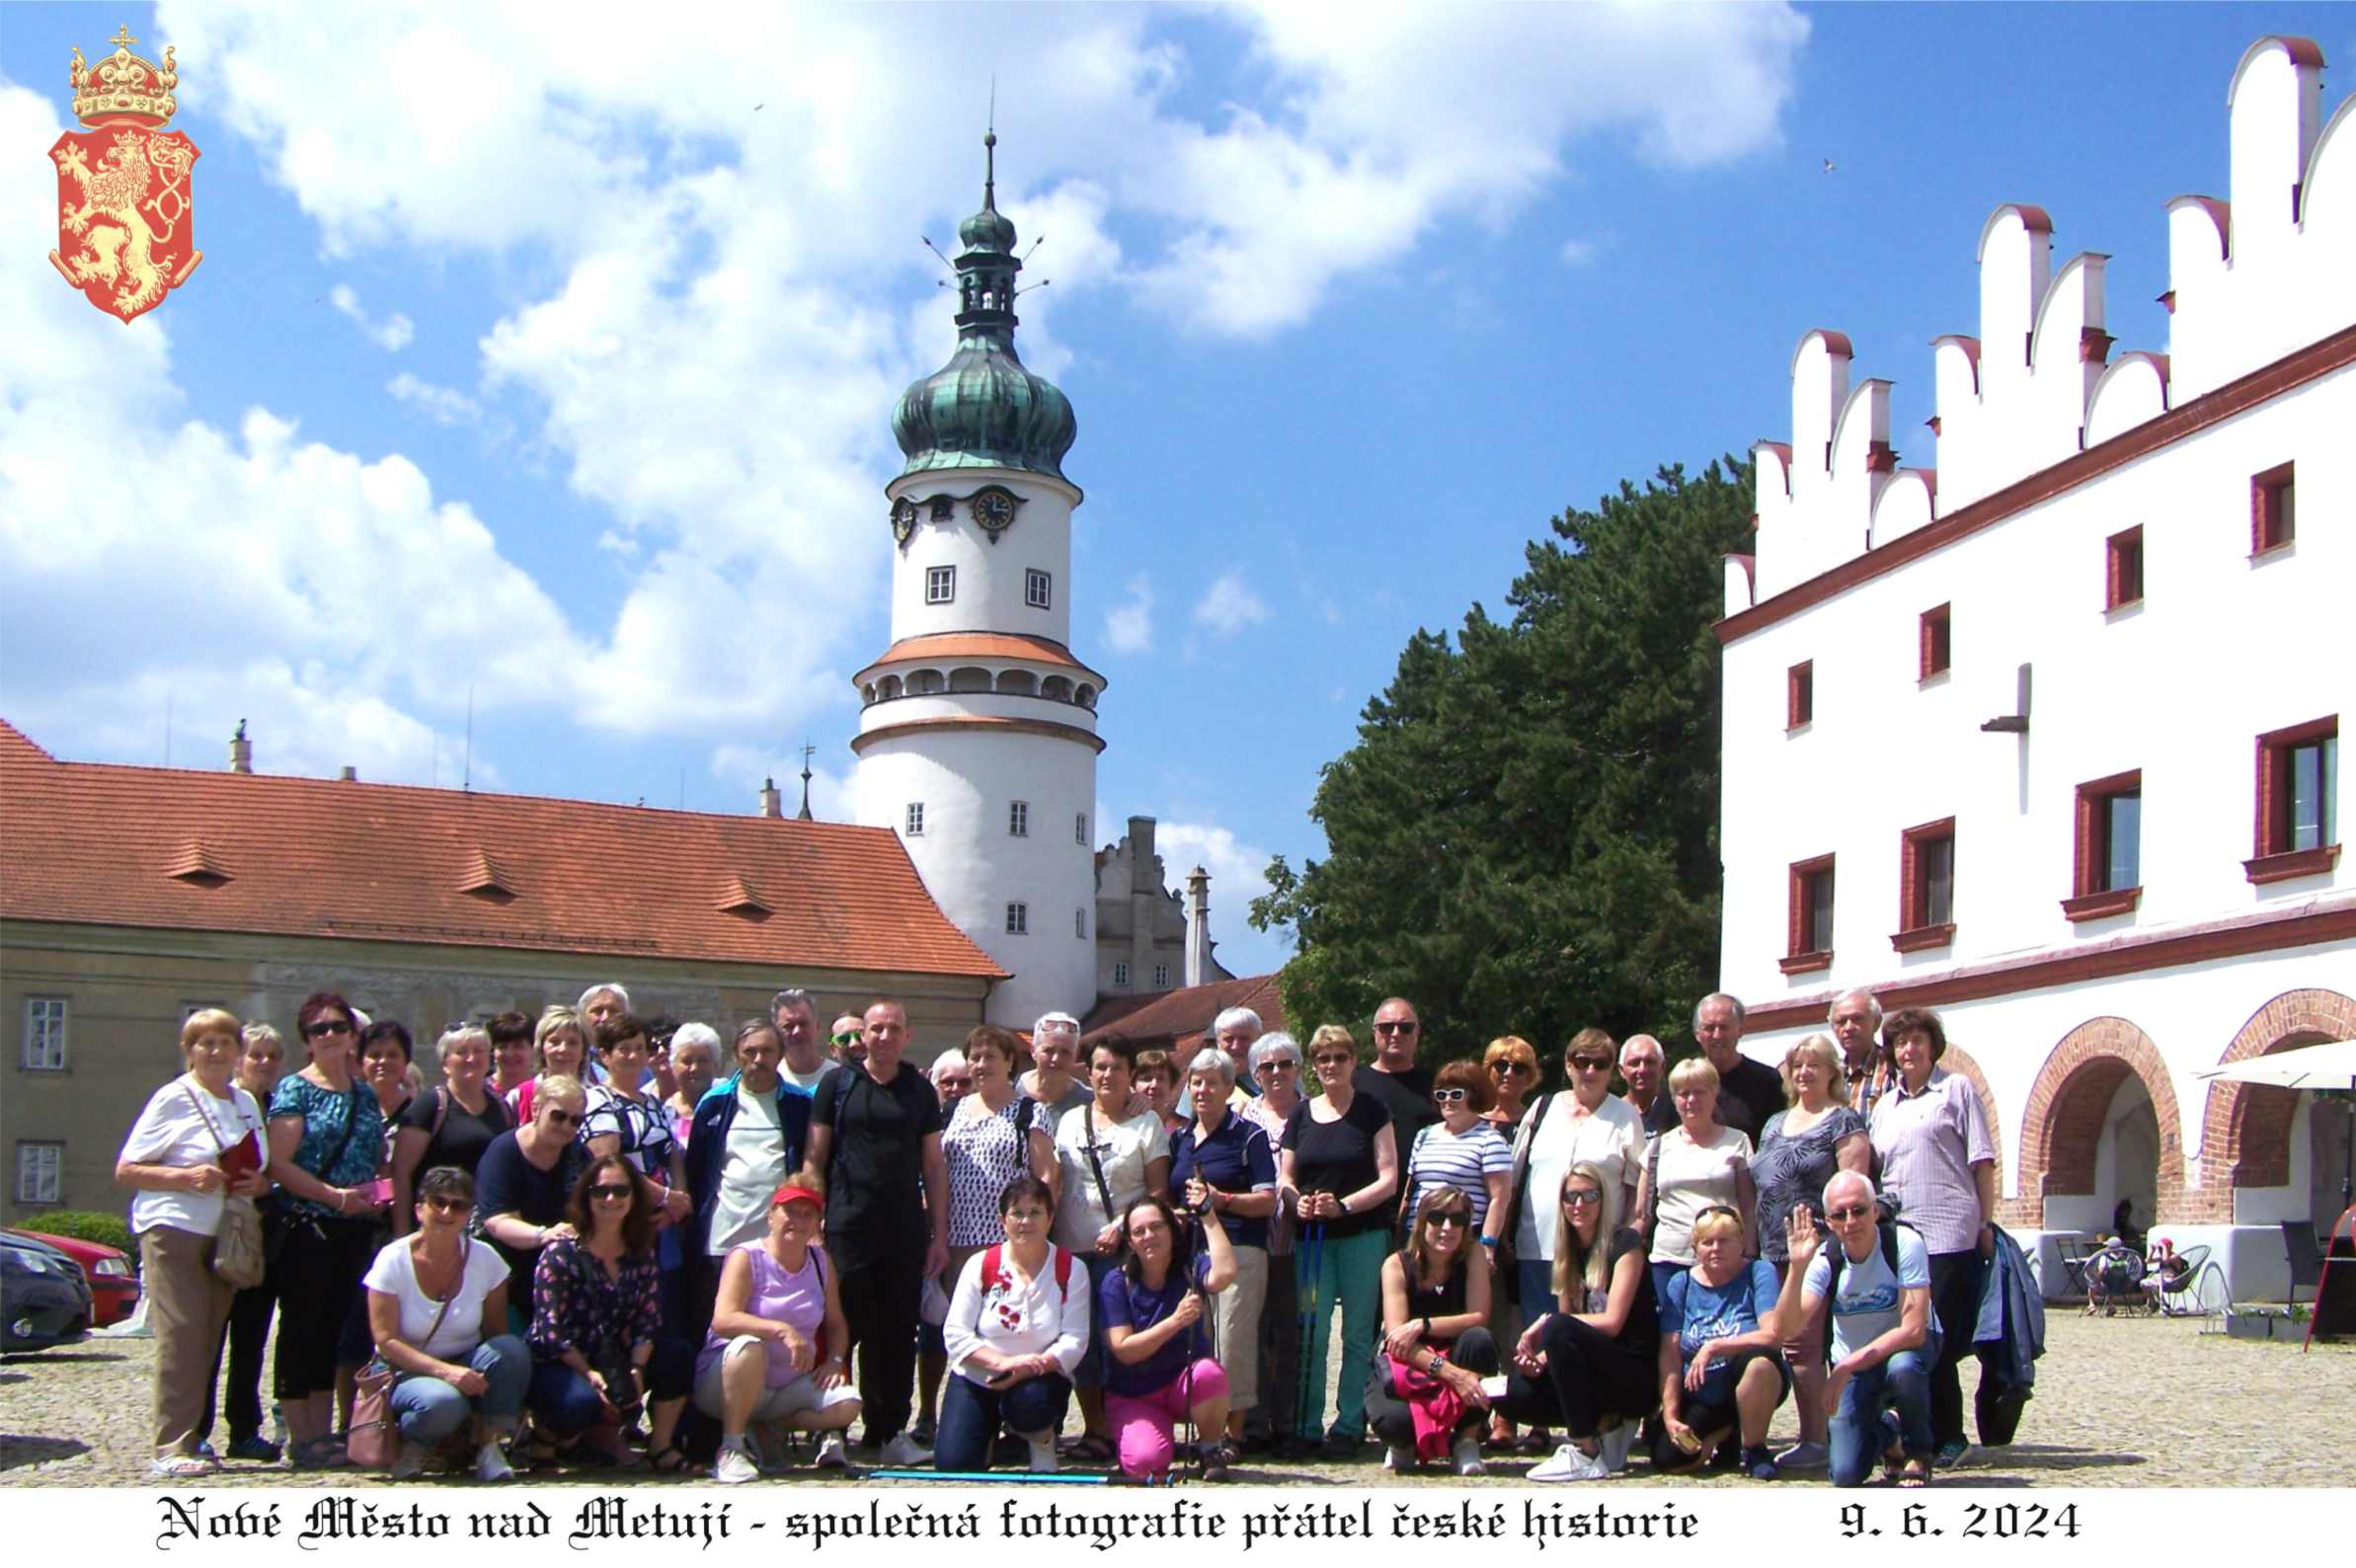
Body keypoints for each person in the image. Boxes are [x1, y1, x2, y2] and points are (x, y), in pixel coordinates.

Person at [115, 1007, 271, 1477]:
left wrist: (255, 1184)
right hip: (174, 1227)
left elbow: (261, 1169)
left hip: (225, 1231)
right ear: (189, 1051)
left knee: (206, 1336)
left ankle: (193, 1437)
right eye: (206, 1043)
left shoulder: (245, 1102)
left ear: (238, 1051)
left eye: (225, 1042)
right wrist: (185, 1176)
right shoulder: (173, 1098)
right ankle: (170, 1446)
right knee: (181, 1335)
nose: (217, 1051)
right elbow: (127, 1169)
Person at [806, 998, 950, 1465]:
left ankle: (888, 1430)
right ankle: (832, 1430)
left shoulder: (919, 1091)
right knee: (841, 1330)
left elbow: (933, 1163)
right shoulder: (837, 1083)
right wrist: (813, 1220)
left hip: (903, 1229)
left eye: (893, 1028)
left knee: (895, 1334)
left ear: (907, 1036)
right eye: (875, 1029)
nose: (884, 1036)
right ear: (860, 1036)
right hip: (847, 1226)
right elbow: (815, 1156)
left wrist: (939, 1235)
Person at [1505, 1026, 1646, 1454]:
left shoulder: (1624, 1116)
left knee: (1580, 1335)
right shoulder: (1542, 1108)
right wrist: (1503, 1236)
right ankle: (1540, 1425)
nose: (1588, 1070)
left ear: (1612, 1071)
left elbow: (1638, 1184)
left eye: (1599, 1063)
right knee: (1537, 1337)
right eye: (1580, 1062)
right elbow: (1516, 1174)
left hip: (1595, 1250)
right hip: (1537, 1242)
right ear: (1567, 1066)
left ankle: (1588, 1421)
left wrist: (1633, 1235)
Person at [265, 990, 388, 1467]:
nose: (331, 1036)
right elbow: (279, 1163)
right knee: (301, 1330)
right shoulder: (297, 1089)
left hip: (354, 1230)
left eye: (339, 1027)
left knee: (334, 1331)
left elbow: (374, 1156)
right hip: (307, 1225)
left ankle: (321, 1432)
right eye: (320, 1029)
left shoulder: (362, 1093)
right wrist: (332, 1196)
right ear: (307, 1041)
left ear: (353, 1035)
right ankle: (301, 1434)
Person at [1868, 1006, 1995, 1468]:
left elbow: (1981, 1160)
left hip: (1948, 1231)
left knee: (1934, 1338)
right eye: (1900, 1043)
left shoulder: (1956, 1090)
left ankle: (1949, 1435)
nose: (1909, 1049)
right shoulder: (1884, 1107)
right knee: (1904, 1336)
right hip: (1900, 1235)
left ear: (1932, 1046)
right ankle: (1912, 1430)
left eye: (1917, 1040)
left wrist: (1985, 1223)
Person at [1751, 1032, 1872, 1469]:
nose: (1804, 1073)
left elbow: (1852, 1189)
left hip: (1821, 1248)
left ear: (1831, 1073)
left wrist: (1840, 1241)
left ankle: (1818, 1438)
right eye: (1798, 1065)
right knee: (1790, 1343)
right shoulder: (1773, 1123)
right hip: (1773, 1248)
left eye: (1814, 1065)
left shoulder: (1843, 1121)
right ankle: (1816, 1434)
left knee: (1809, 1344)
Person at [525, 1156, 694, 1469]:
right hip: (561, 1360)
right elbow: (550, 1332)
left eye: (621, 1190)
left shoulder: (641, 1252)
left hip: (615, 1356)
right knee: (581, 1405)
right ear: (586, 1196)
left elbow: (648, 1320)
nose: (611, 1199)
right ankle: (549, 1438)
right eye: (601, 1191)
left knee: (678, 1355)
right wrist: (589, 1375)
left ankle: (660, 1446)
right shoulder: (561, 1252)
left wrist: (636, 1371)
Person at [1051, 1031, 1172, 1460]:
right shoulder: (1070, 1121)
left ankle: (1123, 1422)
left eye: (1117, 1068)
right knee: (1079, 1342)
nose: (1107, 1075)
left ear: (1130, 1074)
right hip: (1072, 1249)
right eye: (1100, 1067)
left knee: (1115, 1341)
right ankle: (1094, 1427)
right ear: (1090, 1071)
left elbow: (1158, 1191)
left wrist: (1122, 1225)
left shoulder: (1146, 1123)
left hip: (1120, 1255)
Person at [1769, 1173, 1935, 1488]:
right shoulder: (1825, 1259)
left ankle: (1919, 1452)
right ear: (1829, 1222)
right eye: (1839, 1214)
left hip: (1903, 1351)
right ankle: (1888, 1433)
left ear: (1875, 1211)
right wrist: (1797, 1266)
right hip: (1856, 1363)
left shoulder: (1904, 1244)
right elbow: (1785, 1329)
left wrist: (1846, 1365)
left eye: (1858, 1210)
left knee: (1904, 1367)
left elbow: (1913, 1330)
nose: (1850, 1221)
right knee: (1845, 1476)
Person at [362, 1165, 526, 1481]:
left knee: (511, 1350)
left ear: (469, 1214)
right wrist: (446, 1372)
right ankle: (413, 1443)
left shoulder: (487, 1259)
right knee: (442, 1402)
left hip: (465, 1359)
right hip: (405, 1369)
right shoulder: (391, 1259)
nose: (448, 1211)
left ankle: (489, 1445)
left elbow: (495, 1332)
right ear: (419, 1208)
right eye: (439, 1202)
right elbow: (386, 1340)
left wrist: (490, 1384)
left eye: (459, 1205)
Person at [1499, 1161, 1658, 1481]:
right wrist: (1541, 1359)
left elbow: (1611, 1323)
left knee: (1558, 1325)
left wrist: (1547, 1323)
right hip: (1592, 1371)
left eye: (1589, 1195)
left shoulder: (1625, 1244)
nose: (1579, 1205)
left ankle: (1585, 1450)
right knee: (1514, 1392)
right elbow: (1569, 1334)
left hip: (1635, 1374)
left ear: (1603, 1199)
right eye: (1571, 1197)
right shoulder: (1567, 1253)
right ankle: (1605, 1427)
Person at [696, 1175, 861, 1483]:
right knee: (750, 1347)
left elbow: (836, 1323)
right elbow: (723, 1319)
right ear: (771, 1215)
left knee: (848, 1403)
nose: (797, 1221)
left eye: (807, 1214)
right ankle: (731, 1447)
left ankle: (769, 1425)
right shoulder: (746, 1256)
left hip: (786, 1388)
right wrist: (780, 1329)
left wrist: (835, 1361)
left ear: (817, 1222)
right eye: (789, 1211)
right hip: (727, 1379)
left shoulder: (820, 1261)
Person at [1283, 1023, 1398, 1456]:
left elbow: (1389, 1178)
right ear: (1314, 1065)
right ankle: (1306, 1424)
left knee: (1355, 1333)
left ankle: (1350, 1422)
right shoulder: (1300, 1114)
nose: (1331, 1065)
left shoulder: (1372, 1109)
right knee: (1311, 1328)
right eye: (1323, 1058)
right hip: (1312, 1240)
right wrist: (1299, 1202)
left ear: (1353, 1061)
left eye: (1340, 1057)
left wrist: (1344, 1205)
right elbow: (1286, 1178)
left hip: (1361, 1236)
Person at [937, 1175, 1089, 1473]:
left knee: (1031, 1404)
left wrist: (1031, 1366)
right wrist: (1001, 1363)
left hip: (1039, 1377)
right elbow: (955, 1334)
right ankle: (988, 1436)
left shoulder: (1072, 1269)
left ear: (1050, 1218)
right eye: (1017, 1213)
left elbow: (1075, 1339)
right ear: (1002, 1220)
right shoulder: (980, 1264)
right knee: (954, 1463)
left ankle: (1041, 1440)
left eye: (1035, 1213)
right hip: (981, 1375)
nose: (1025, 1222)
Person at [1171, 1046, 1277, 1458]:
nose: (1202, 1090)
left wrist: (1221, 1199)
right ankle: (1204, 1426)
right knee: (1198, 1339)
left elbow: (1267, 1201)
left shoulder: (1248, 1135)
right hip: (1190, 1252)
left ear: (1229, 1088)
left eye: (1212, 1083)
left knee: (1232, 1340)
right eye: (1196, 1082)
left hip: (1240, 1248)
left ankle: (1231, 1434)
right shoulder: (1180, 1138)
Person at [684, 1020, 811, 1334]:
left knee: (771, 1324)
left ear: (780, 1054)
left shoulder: (799, 1105)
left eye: (767, 1051)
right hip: (722, 1239)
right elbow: (695, 1171)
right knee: (716, 1327)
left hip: (775, 1241)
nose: (758, 1059)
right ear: (736, 1055)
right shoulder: (714, 1104)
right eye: (750, 1051)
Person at [198, 1022, 287, 1463]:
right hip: (217, 1231)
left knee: (251, 1339)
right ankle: (196, 1430)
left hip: (262, 1237)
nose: (265, 1064)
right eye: (257, 1055)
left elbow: (285, 1170)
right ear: (239, 1058)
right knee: (209, 1337)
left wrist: (267, 1185)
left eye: (273, 1056)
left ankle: (244, 1429)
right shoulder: (220, 1104)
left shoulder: (281, 1107)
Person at [1100, 1195, 1237, 1481]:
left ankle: (1210, 1448)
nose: (1149, 1236)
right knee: (1146, 1465)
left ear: (1172, 1232)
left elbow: (1224, 1274)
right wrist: (1175, 1322)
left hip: (1182, 1386)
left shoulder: (1190, 1266)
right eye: (1139, 1231)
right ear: (1130, 1243)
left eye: (1157, 1227)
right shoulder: (1115, 1282)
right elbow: (1124, 1350)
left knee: (1210, 1373)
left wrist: (1208, 1214)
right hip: (1133, 1395)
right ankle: (1158, 1439)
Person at [1368, 1189, 1497, 1475]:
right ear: (1422, 1221)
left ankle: (1466, 1440)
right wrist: (1452, 1373)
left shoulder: (1473, 1254)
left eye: (1458, 1219)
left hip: (1457, 1350)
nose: (1447, 1228)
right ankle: (1405, 1444)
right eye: (1437, 1218)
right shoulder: (1396, 1264)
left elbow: (1479, 1317)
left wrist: (1423, 1325)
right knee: (1393, 1423)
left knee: (1481, 1341)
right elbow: (1397, 1340)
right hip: (1410, 1363)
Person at [1656, 1206, 1789, 1480]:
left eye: (1724, 1240)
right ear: (1695, 1247)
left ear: (1741, 1241)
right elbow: (1669, 1353)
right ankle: (1726, 1430)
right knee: (1670, 1459)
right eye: (1707, 1242)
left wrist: (1715, 1347)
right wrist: (1670, 1416)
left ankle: (1754, 1449)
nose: (1715, 1248)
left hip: (1746, 1380)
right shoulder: (1680, 1284)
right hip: (1701, 1391)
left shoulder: (1758, 1272)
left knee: (1759, 1364)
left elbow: (1773, 1335)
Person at [338, 1019, 418, 1437]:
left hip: (399, 1230)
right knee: (352, 1329)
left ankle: (395, 1418)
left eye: (393, 1054)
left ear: (406, 1062)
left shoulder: (417, 1112)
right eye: (375, 1054)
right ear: (361, 1060)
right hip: (354, 1229)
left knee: (401, 1330)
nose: (383, 1062)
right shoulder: (351, 1105)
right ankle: (351, 1421)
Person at [473, 1075, 591, 1331]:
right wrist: (544, 1235)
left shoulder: (578, 1154)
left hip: (559, 1277)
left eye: (576, 1120)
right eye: (559, 1116)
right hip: (505, 1275)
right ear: (536, 1109)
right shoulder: (503, 1152)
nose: (567, 1126)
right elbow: (497, 1221)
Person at [1632, 1057, 1757, 1300]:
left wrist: (1749, 1255)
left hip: (1724, 1257)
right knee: (1672, 1334)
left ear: (1714, 1092)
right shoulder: (1657, 1147)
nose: (1691, 1101)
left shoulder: (1737, 1141)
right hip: (1669, 1260)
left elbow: (1748, 1206)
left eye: (1699, 1092)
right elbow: (1641, 1213)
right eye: (1683, 1093)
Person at [1236, 1032, 1304, 1453]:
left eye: (1285, 1064)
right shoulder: (1244, 1117)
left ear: (1297, 1068)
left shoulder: (1313, 1113)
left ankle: (1289, 1421)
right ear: (1255, 1073)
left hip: (1302, 1244)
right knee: (1254, 1334)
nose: (1276, 1073)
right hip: (1256, 1242)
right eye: (1267, 1066)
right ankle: (1254, 1421)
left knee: (1294, 1334)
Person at [392, 1026, 515, 1235]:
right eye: (462, 1052)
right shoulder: (430, 1105)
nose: (471, 1058)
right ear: (445, 1063)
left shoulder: (502, 1108)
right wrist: (402, 1234)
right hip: (436, 1222)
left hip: (484, 1228)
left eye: (478, 1051)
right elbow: (401, 1173)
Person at [582, 1013, 689, 1223]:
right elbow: (610, 1163)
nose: (633, 1056)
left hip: (661, 1219)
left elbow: (672, 1155)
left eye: (639, 1048)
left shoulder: (652, 1102)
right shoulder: (597, 1101)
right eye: (624, 1049)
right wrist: (667, 1197)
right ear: (605, 1055)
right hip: (619, 1216)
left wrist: (678, 1201)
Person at [1404, 1059, 1514, 1247]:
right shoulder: (1424, 1135)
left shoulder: (1490, 1140)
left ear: (1475, 1096)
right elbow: (1409, 1193)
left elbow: (1500, 1199)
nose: (1447, 1100)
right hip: (1419, 1238)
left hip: (1463, 1239)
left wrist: (1487, 1245)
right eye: (1441, 1094)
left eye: (1456, 1094)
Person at [1353, 998, 1437, 1230]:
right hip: (1365, 1216)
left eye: (1405, 1027)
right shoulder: (1353, 1084)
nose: (1396, 1033)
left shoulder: (1437, 1087)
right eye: (1387, 1027)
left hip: (1424, 1215)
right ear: (1374, 1033)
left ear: (1417, 1033)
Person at [1692, 993, 1785, 1141]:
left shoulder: (1767, 1081)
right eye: (1709, 1028)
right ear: (1697, 1034)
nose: (1717, 1035)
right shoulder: (1687, 1082)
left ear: (1741, 1030)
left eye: (1724, 1027)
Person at [510, 1006, 589, 1125]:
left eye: (572, 1042)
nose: (563, 1049)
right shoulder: (519, 1096)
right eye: (554, 1041)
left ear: (583, 1050)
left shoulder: (595, 1097)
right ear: (541, 1048)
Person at [1829, 990, 1895, 1116]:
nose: (1848, 1027)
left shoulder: (1894, 1070)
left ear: (1877, 1022)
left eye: (1857, 1019)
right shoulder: (1829, 1076)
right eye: (1841, 1022)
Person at [1020, 1011, 1093, 1121]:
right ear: (1033, 1050)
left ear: (1076, 1055)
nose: (1056, 1059)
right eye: (1048, 1051)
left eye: (1065, 1052)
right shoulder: (1010, 1090)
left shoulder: (1088, 1101)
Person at [665, 1023, 722, 1149]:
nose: (694, 1068)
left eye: (703, 1060)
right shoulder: (664, 1114)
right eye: (687, 1061)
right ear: (673, 1065)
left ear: (716, 1064)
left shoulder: (727, 1107)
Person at [770, 988, 830, 1095]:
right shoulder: (769, 1078)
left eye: (803, 1024)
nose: (797, 1031)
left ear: (817, 1027)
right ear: (776, 1032)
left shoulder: (839, 1077)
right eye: (789, 1026)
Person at [1616, 1034, 1676, 1136]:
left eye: (1649, 1062)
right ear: (1622, 1070)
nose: (1642, 1070)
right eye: (1634, 1063)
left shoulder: (1680, 1108)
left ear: (1662, 1067)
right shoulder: (1612, 1115)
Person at [1483, 1035, 1540, 1137]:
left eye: (1519, 1068)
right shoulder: (1466, 1120)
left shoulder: (1535, 1124)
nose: (1509, 1073)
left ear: (1529, 1076)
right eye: (1501, 1065)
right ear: (1488, 1070)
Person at [486, 1010, 536, 1102]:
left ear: (533, 1049)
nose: (509, 1054)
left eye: (518, 1046)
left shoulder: (542, 1090)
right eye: (503, 1047)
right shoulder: (481, 1092)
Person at [1134, 1049, 1185, 1135]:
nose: (1154, 1085)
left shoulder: (1183, 1128)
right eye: (1147, 1079)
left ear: (1171, 1085)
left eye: (1161, 1079)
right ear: (1133, 1084)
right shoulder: (1125, 1125)